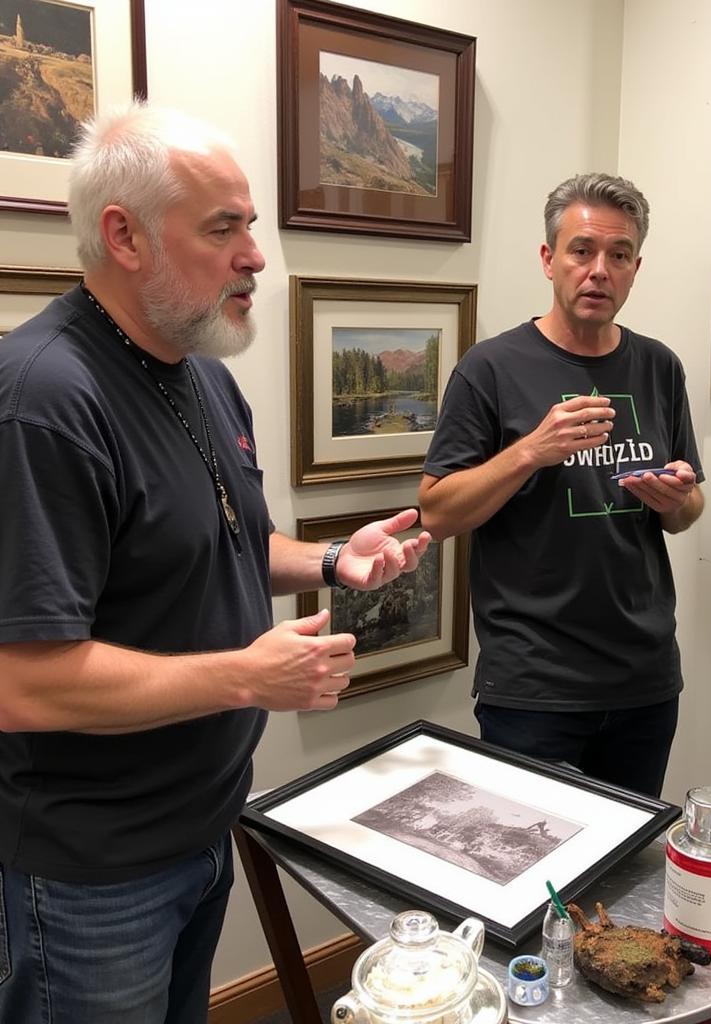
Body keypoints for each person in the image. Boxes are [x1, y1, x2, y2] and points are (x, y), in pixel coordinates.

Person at [0, 102, 430, 1024]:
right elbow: (22, 683)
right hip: (93, 872)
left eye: (252, 225)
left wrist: (329, 560)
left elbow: (225, 540)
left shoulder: (201, 370)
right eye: (223, 228)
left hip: (201, 825)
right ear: (124, 235)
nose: (255, 256)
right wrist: (245, 678)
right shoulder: (43, 401)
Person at [418, 172, 705, 798]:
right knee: (534, 877)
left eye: (619, 255)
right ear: (549, 259)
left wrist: (677, 499)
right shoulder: (490, 369)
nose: (599, 269)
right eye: (582, 250)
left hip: (645, 678)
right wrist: (530, 451)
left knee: (623, 880)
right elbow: (436, 512)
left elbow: (689, 509)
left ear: (635, 268)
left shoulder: (659, 365)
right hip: (533, 687)